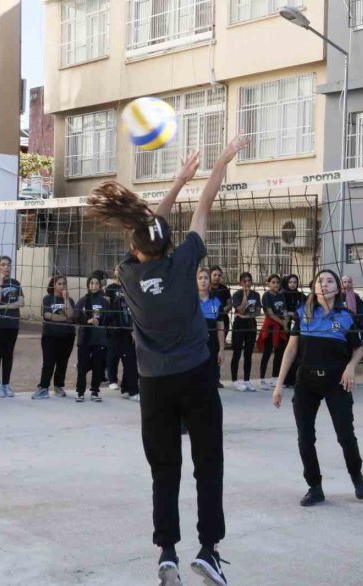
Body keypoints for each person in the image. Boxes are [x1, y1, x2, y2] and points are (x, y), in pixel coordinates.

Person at [88, 142, 245, 585]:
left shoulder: (128, 275)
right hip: (195, 376)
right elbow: (206, 204)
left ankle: (167, 552)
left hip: (154, 384)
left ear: (135, 250)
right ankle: (209, 549)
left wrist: (177, 180)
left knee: (164, 469)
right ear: (169, 245)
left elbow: (149, 229)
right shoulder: (185, 262)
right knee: (207, 461)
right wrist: (217, 164)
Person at [271, 269, 363, 507]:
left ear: (338, 287)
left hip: (337, 381)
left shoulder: (346, 315)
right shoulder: (303, 314)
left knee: (345, 435)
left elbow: (359, 349)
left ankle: (356, 474)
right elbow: (291, 350)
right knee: (305, 436)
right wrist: (279, 384)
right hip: (306, 381)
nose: (324, 285)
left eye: (329, 281)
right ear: (314, 287)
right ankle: (314, 487)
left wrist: (350, 367)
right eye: (320, 281)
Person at [32, 275, 75, 400]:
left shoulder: (69, 300)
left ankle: (58, 386)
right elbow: (47, 315)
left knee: (62, 362)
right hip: (50, 335)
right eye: (59, 284)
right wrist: (64, 318)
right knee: (49, 362)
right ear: (54, 285)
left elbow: (71, 315)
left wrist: (66, 299)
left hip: (67, 335)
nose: (62, 286)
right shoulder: (48, 299)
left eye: (64, 284)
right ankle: (43, 388)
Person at [0, 255, 22, 398]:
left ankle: (6, 384)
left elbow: (21, 302)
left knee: (8, 354)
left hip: (12, 323)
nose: (6, 267)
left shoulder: (15, 283)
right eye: (3, 265)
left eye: (8, 265)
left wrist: (5, 306)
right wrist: (0, 284)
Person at [74, 273, 110, 402]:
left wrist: (100, 322)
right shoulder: (83, 300)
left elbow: (109, 318)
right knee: (82, 366)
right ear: (88, 285)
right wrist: (87, 320)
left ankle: (95, 391)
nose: (93, 285)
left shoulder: (104, 301)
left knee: (97, 366)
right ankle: (80, 392)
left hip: (99, 338)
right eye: (91, 283)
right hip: (84, 338)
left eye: (96, 283)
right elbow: (75, 316)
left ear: (100, 285)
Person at [106, 269, 139, 401]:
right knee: (120, 357)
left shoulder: (132, 288)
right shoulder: (111, 289)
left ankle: (127, 388)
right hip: (117, 330)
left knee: (130, 359)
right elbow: (107, 308)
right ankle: (131, 390)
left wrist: (134, 329)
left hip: (129, 329)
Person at [230, 272, 260, 392]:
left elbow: (257, 312)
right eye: (244, 281)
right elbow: (241, 310)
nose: (247, 283)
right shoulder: (236, 294)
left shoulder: (256, 294)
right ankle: (234, 381)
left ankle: (247, 380)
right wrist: (245, 295)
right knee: (237, 353)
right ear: (240, 283)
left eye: (249, 281)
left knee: (248, 354)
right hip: (239, 326)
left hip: (251, 325)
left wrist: (246, 317)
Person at [258, 273, 287, 390]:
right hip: (271, 327)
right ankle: (262, 379)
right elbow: (270, 313)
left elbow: (284, 310)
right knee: (267, 353)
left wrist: (286, 320)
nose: (276, 284)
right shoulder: (266, 295)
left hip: (280, 327)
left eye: (277, 282)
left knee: (279, 353)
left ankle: (275, 378)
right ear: (269, 283)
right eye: (273, 282)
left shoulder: (281, 295)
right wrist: (283, 323)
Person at [198, 268, 226, 383]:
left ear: (210, 281)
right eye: (200, 278)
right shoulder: (190, 301)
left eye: (206, 278)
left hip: (212, 344)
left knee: (212, 378)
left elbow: (220, 327)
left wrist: (222, 349)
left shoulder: (216, 301)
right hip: (195, 345)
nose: (203, 281)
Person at [209, 265, 232, 389]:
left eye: (219, 275)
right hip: (208, 323)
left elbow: (230, 304)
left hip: (222, 321)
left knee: (218, 348)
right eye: (214, 275)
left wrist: (222, 310)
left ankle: (216, 379)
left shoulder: (224, 289)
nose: (217, 278)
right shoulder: (206, 288)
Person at [282, 274, 306, 389]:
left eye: (294, 282)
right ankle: (285, 379)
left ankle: (296, 379)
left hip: (298, 326)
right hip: (285, 326)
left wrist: (294, 314)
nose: (292, 284)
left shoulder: (301, 295)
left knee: (297, 352)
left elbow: (305, 309)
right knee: (286, 352)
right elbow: (282, 310)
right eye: (290, 282)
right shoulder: (282, 295)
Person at [104, 272, 124, 393]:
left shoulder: (129, 285)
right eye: (117, 269)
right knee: (112, 353)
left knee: (128, 354)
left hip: (126, 325)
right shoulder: (111, 288)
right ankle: (112, 380)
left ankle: (128, 381)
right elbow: (106, 305)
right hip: (113, 325)